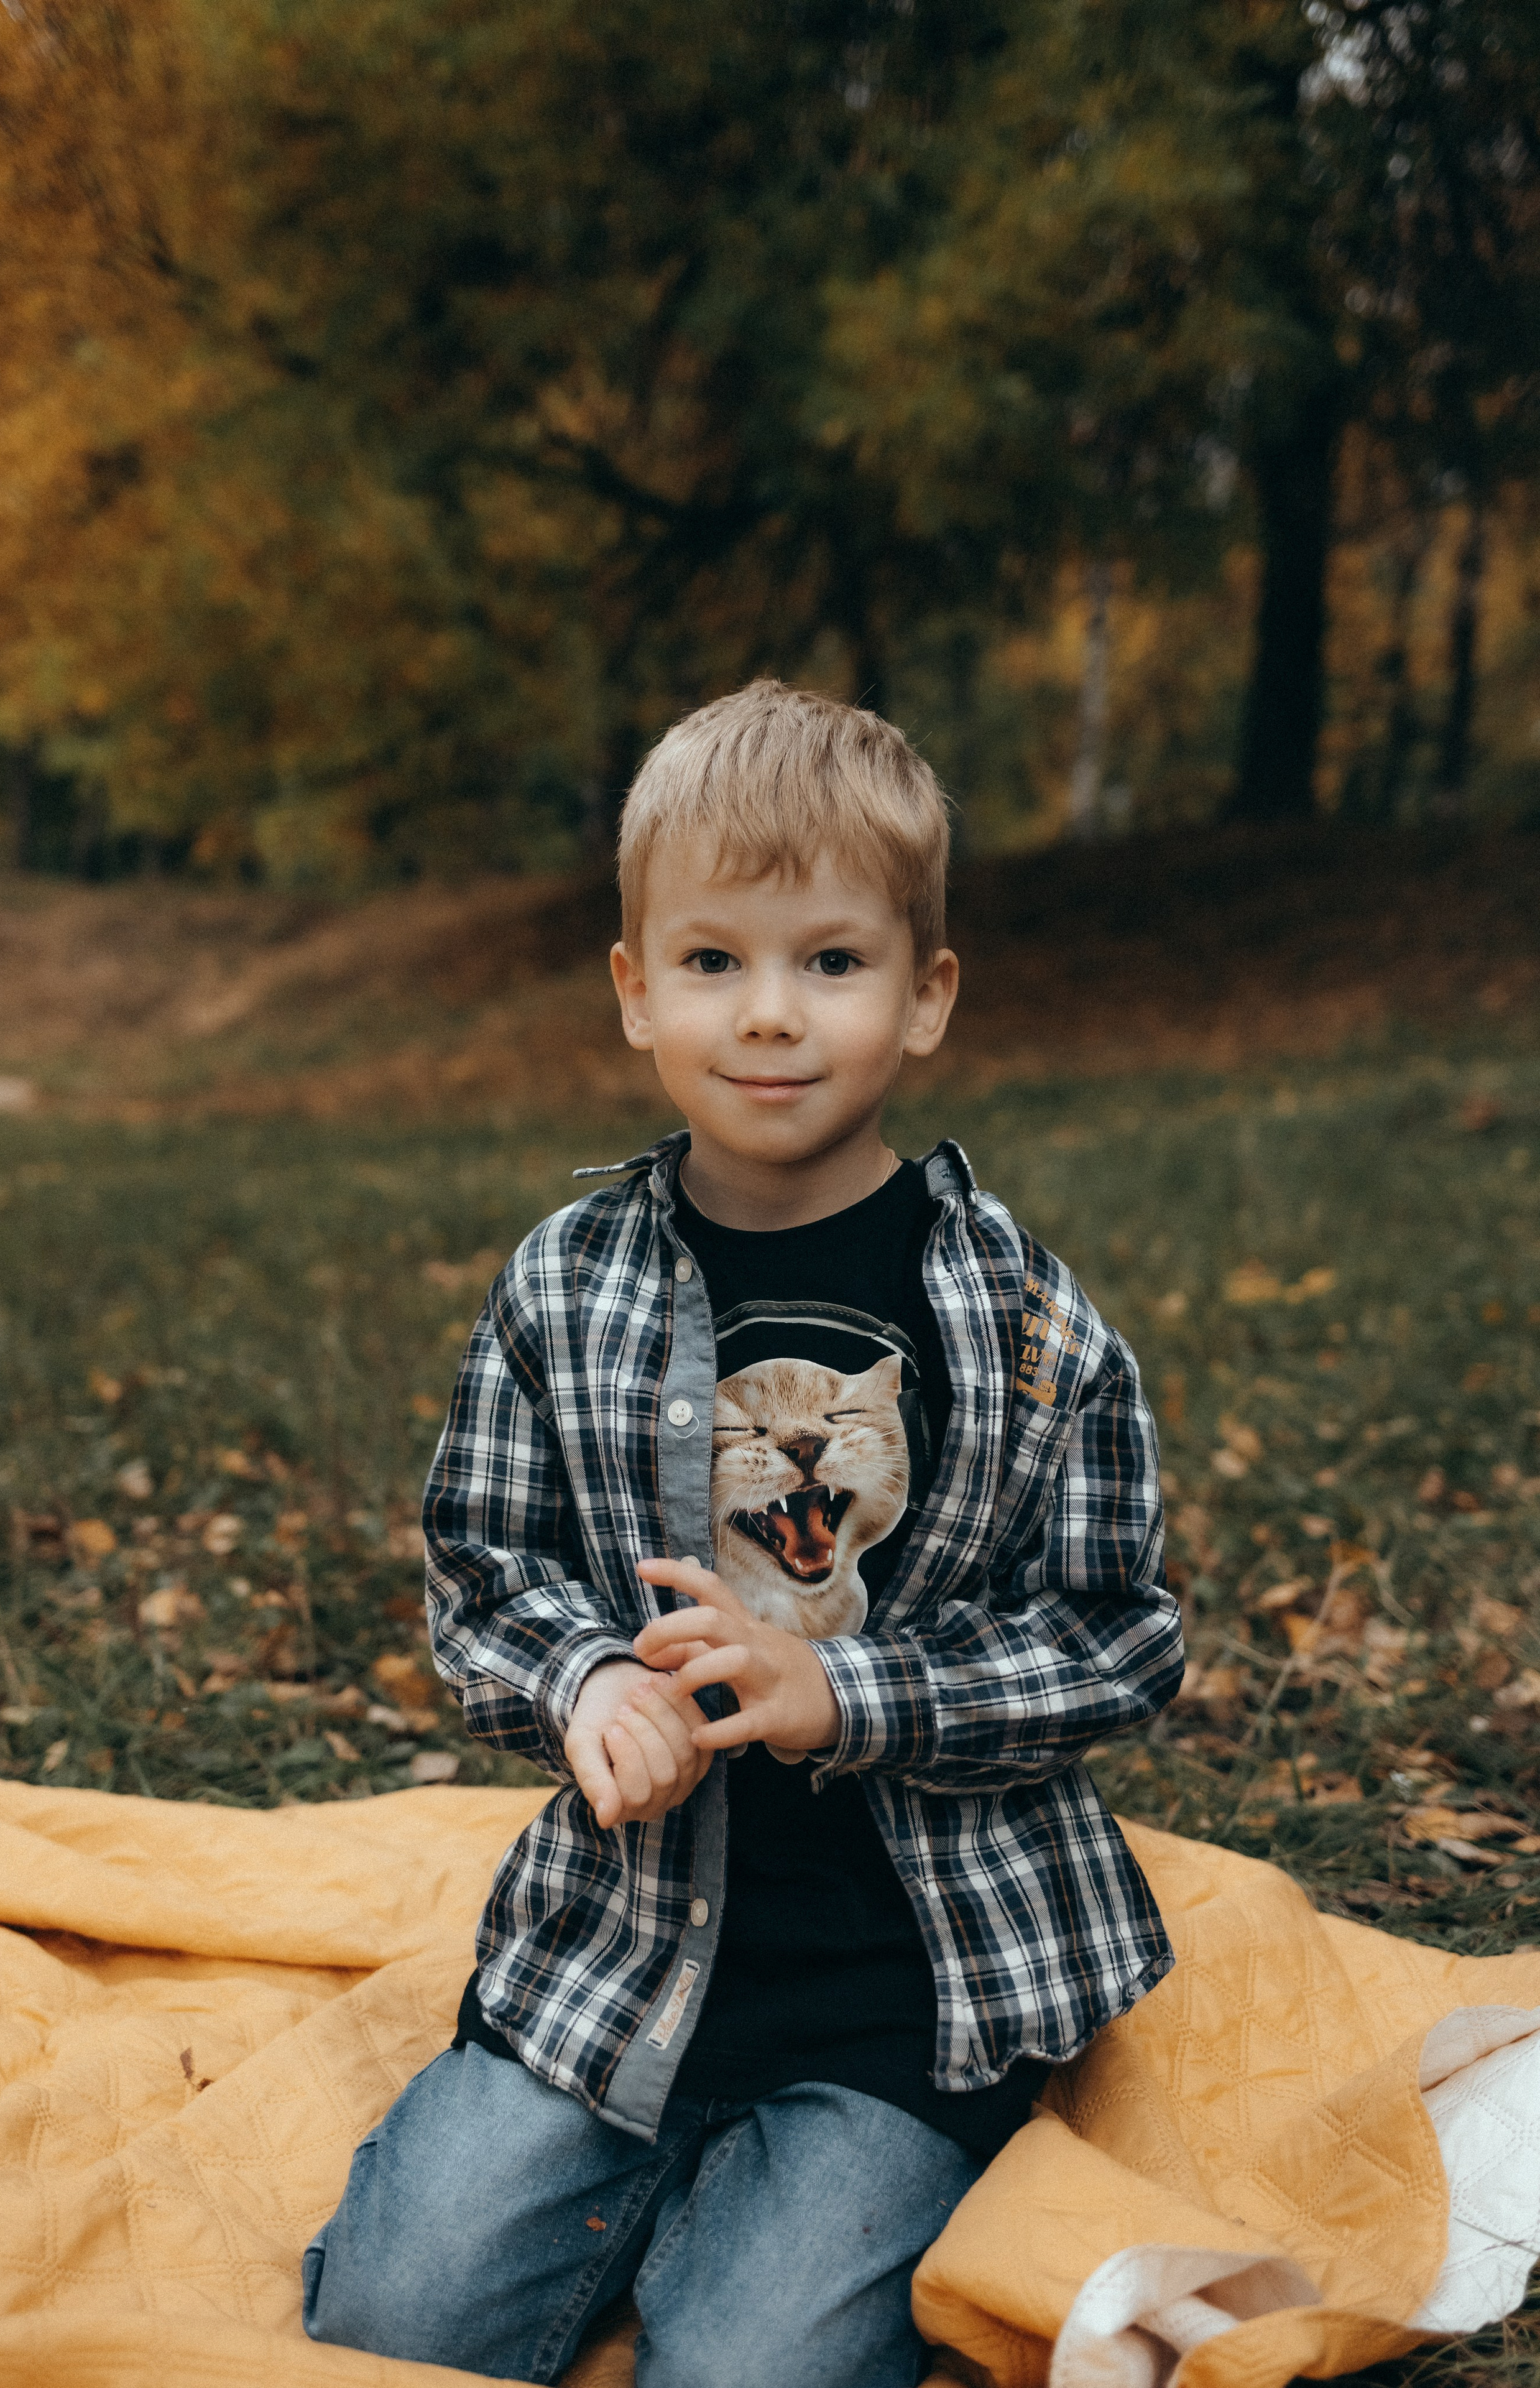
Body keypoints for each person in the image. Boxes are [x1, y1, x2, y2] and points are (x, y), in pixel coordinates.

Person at [302, 680, 1183, 2387]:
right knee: (388, 2323)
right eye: (714, 961)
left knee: (749, 2367)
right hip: (624, 1940)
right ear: (636, 991)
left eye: (832, 963)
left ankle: (785, 2211)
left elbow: (1117, 1633)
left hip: (911, 1982)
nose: (771, 1016)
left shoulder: (1026, 1323)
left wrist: (847, 1691)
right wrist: (580, 1688)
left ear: (926, 998)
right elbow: (487, 1573)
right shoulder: (568, 1290)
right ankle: (649, 2167)